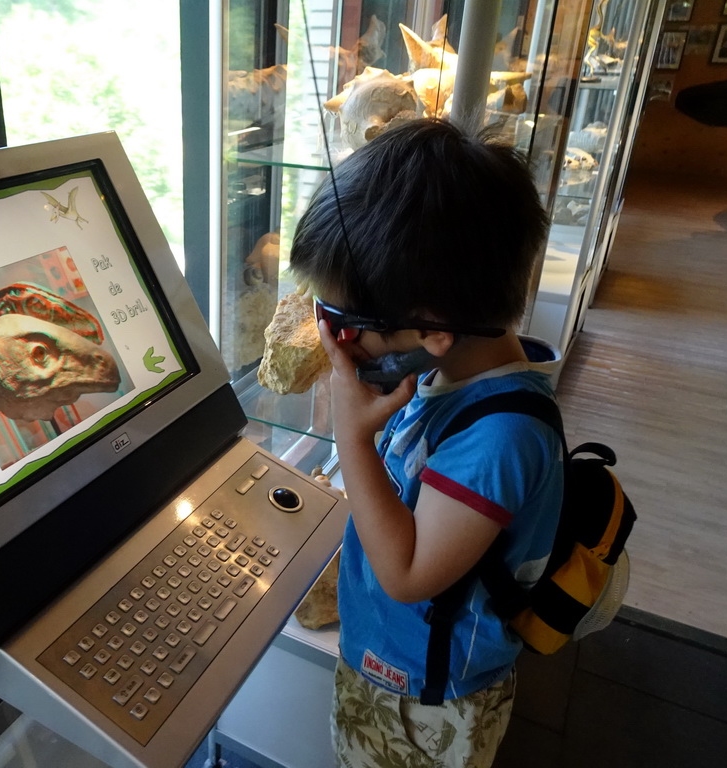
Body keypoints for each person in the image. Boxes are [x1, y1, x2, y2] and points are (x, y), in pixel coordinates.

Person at [289, 118, 563, 768]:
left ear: (432, 328)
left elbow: (408, 574)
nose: (335, 343)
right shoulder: (451, 372)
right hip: (393, 662)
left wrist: (352, 437)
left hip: (425, 702)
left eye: (341, 324)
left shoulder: (500, 438)